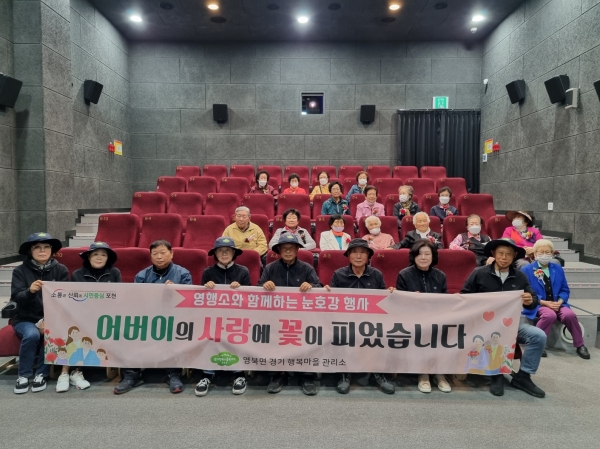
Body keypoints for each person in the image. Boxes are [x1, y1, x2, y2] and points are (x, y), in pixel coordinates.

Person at [460, 238, 546, 398]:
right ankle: (497, 374)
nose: (504, 257)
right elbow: (464, 296)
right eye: (500, 253)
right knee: (496, 336)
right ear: (494, 254)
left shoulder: (520, 277)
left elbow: (533, 300)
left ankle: (523, 376)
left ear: (514, 256)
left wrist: (530, 300)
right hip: (483, 326)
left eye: (508, 254)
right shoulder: (479, 273)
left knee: (538, 336)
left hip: (511, 325)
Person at [114, 240, 192, 395]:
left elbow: (189, 302)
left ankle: (173, 374)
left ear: (171, 254)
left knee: (176, 332)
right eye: (155, 254)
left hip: (174, 318)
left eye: (163, 253)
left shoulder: (183, 274)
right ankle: (131, 375)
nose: (159, 257)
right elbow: (136, 301)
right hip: (147, 318)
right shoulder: (142, 275)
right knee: (128, 332)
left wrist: (176, 291)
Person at [325, 239, 396, 395]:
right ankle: (344, 373)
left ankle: (378, 373)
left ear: (368, 256)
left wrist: (390, 293)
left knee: (380, 334)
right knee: (340, 333)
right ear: (348, 255)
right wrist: (327, 291)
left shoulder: (376, 275)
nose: (358, 256)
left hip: (370, 322)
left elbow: (383, 301)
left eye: (363, 252)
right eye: (354, 252)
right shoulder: (339, 274)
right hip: (345, 321)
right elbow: (332, 302)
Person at [258, 234, 322, 396]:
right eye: (284, 248)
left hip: (303, 317)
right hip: (275, 316)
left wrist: (311, 286)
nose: (288, 251)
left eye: (291, 248)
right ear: (279, 250)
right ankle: (278, 375)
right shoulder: (270, 268)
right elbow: (258, 288)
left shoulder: (307, 268)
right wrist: (265, 285)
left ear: (297, 250)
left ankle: (306, 376)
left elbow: (319, 287)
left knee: (308, 338)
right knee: (273, 338)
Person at [11, 233, 69, 394]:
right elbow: (16, 298)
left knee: (50, 334)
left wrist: (48, 320)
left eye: (46, 247)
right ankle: (23, 375)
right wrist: (29, 291)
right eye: (37, 247)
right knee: (32, 335)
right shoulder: (20, 271)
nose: (42, 250)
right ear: (30, 251)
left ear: (51, 250)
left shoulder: (61, 270)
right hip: (25, 319)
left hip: (52, 319)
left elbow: (64, 300)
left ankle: (41, 374)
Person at [61, 242, 122, 392]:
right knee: (72, 329)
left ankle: (77, 371)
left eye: (103, 255)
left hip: (107, 317)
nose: (99, 257)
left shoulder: (115, 273)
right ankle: (67, 372)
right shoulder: (77, 274)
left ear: (108, 258)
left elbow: (120, 298)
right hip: (83, 316)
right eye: (95, 254)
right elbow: (72, 299)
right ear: (88, 257)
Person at [196, 237, 252, 397]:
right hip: (214, 317)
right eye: (220, 250)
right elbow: (201, 301)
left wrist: (241, 289)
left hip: (237, 317)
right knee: (209, 335)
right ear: (215, 254)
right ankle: (207, 375)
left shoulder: (243, 271)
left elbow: (250, 299)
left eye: (228, 250)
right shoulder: (208, 272)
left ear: (234, 253)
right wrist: (206, 289)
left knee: (238, 336)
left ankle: (239, 374)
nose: (224, 253)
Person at [396, 239, 451, 393]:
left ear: (433, 256)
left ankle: (439, 373)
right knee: (423, 331)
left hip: (436, 318)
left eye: (427, 254)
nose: (423, 257)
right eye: (419, 254)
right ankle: (424, 373)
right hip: (412, 319)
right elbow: (399, 304)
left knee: (444, 330)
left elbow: (444, 300)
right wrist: (412, 299)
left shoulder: (440, 275)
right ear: (413, 256)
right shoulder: (404, 274)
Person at [521, 239, 590, 360]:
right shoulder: (526, 270)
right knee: (549, 315)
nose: (544, 255)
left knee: (569, 315)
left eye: (547, 252)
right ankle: (537, 344)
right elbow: (525, 292)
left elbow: (565, 289)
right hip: (538, 304)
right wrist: (544, 302)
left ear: (552, 254)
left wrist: (559, 302)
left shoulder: (557, 268)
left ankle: (580, 345)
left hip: (558, 303)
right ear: (535, 254)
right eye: (541, 252)